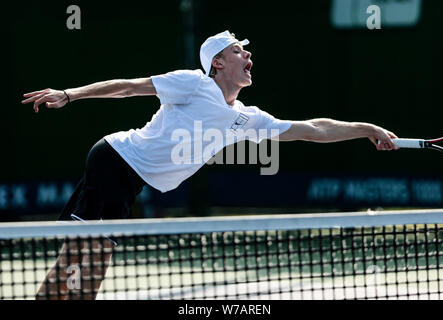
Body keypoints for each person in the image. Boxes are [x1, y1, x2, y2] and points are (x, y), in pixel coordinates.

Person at [21, 30, 398, 299]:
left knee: (94, 257)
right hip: (115, 159)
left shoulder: (249, 118)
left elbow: (314, 129)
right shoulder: (192, 84)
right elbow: (130, 86)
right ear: (218, 63)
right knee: (88, 252)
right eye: (239, 52)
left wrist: (367, 129)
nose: (249, 57)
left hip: (131, 178)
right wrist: (70, 94)